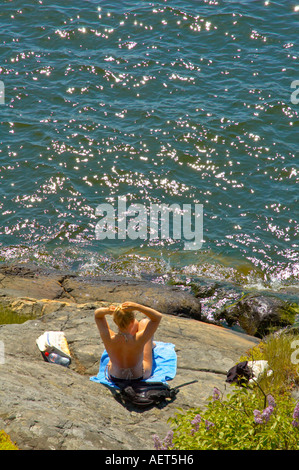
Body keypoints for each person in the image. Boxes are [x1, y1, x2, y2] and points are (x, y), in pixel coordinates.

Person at [94, 301, 162, 384]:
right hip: (138, 377)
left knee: (114, 357)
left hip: (114, 376)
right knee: (145, 323)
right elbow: (157, 317)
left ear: (115, 321)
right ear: (132, 321)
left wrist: (108, 310)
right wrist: (138, 306)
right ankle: (150, 344)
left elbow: (97, 315)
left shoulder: (108, 337)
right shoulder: (139, 339)